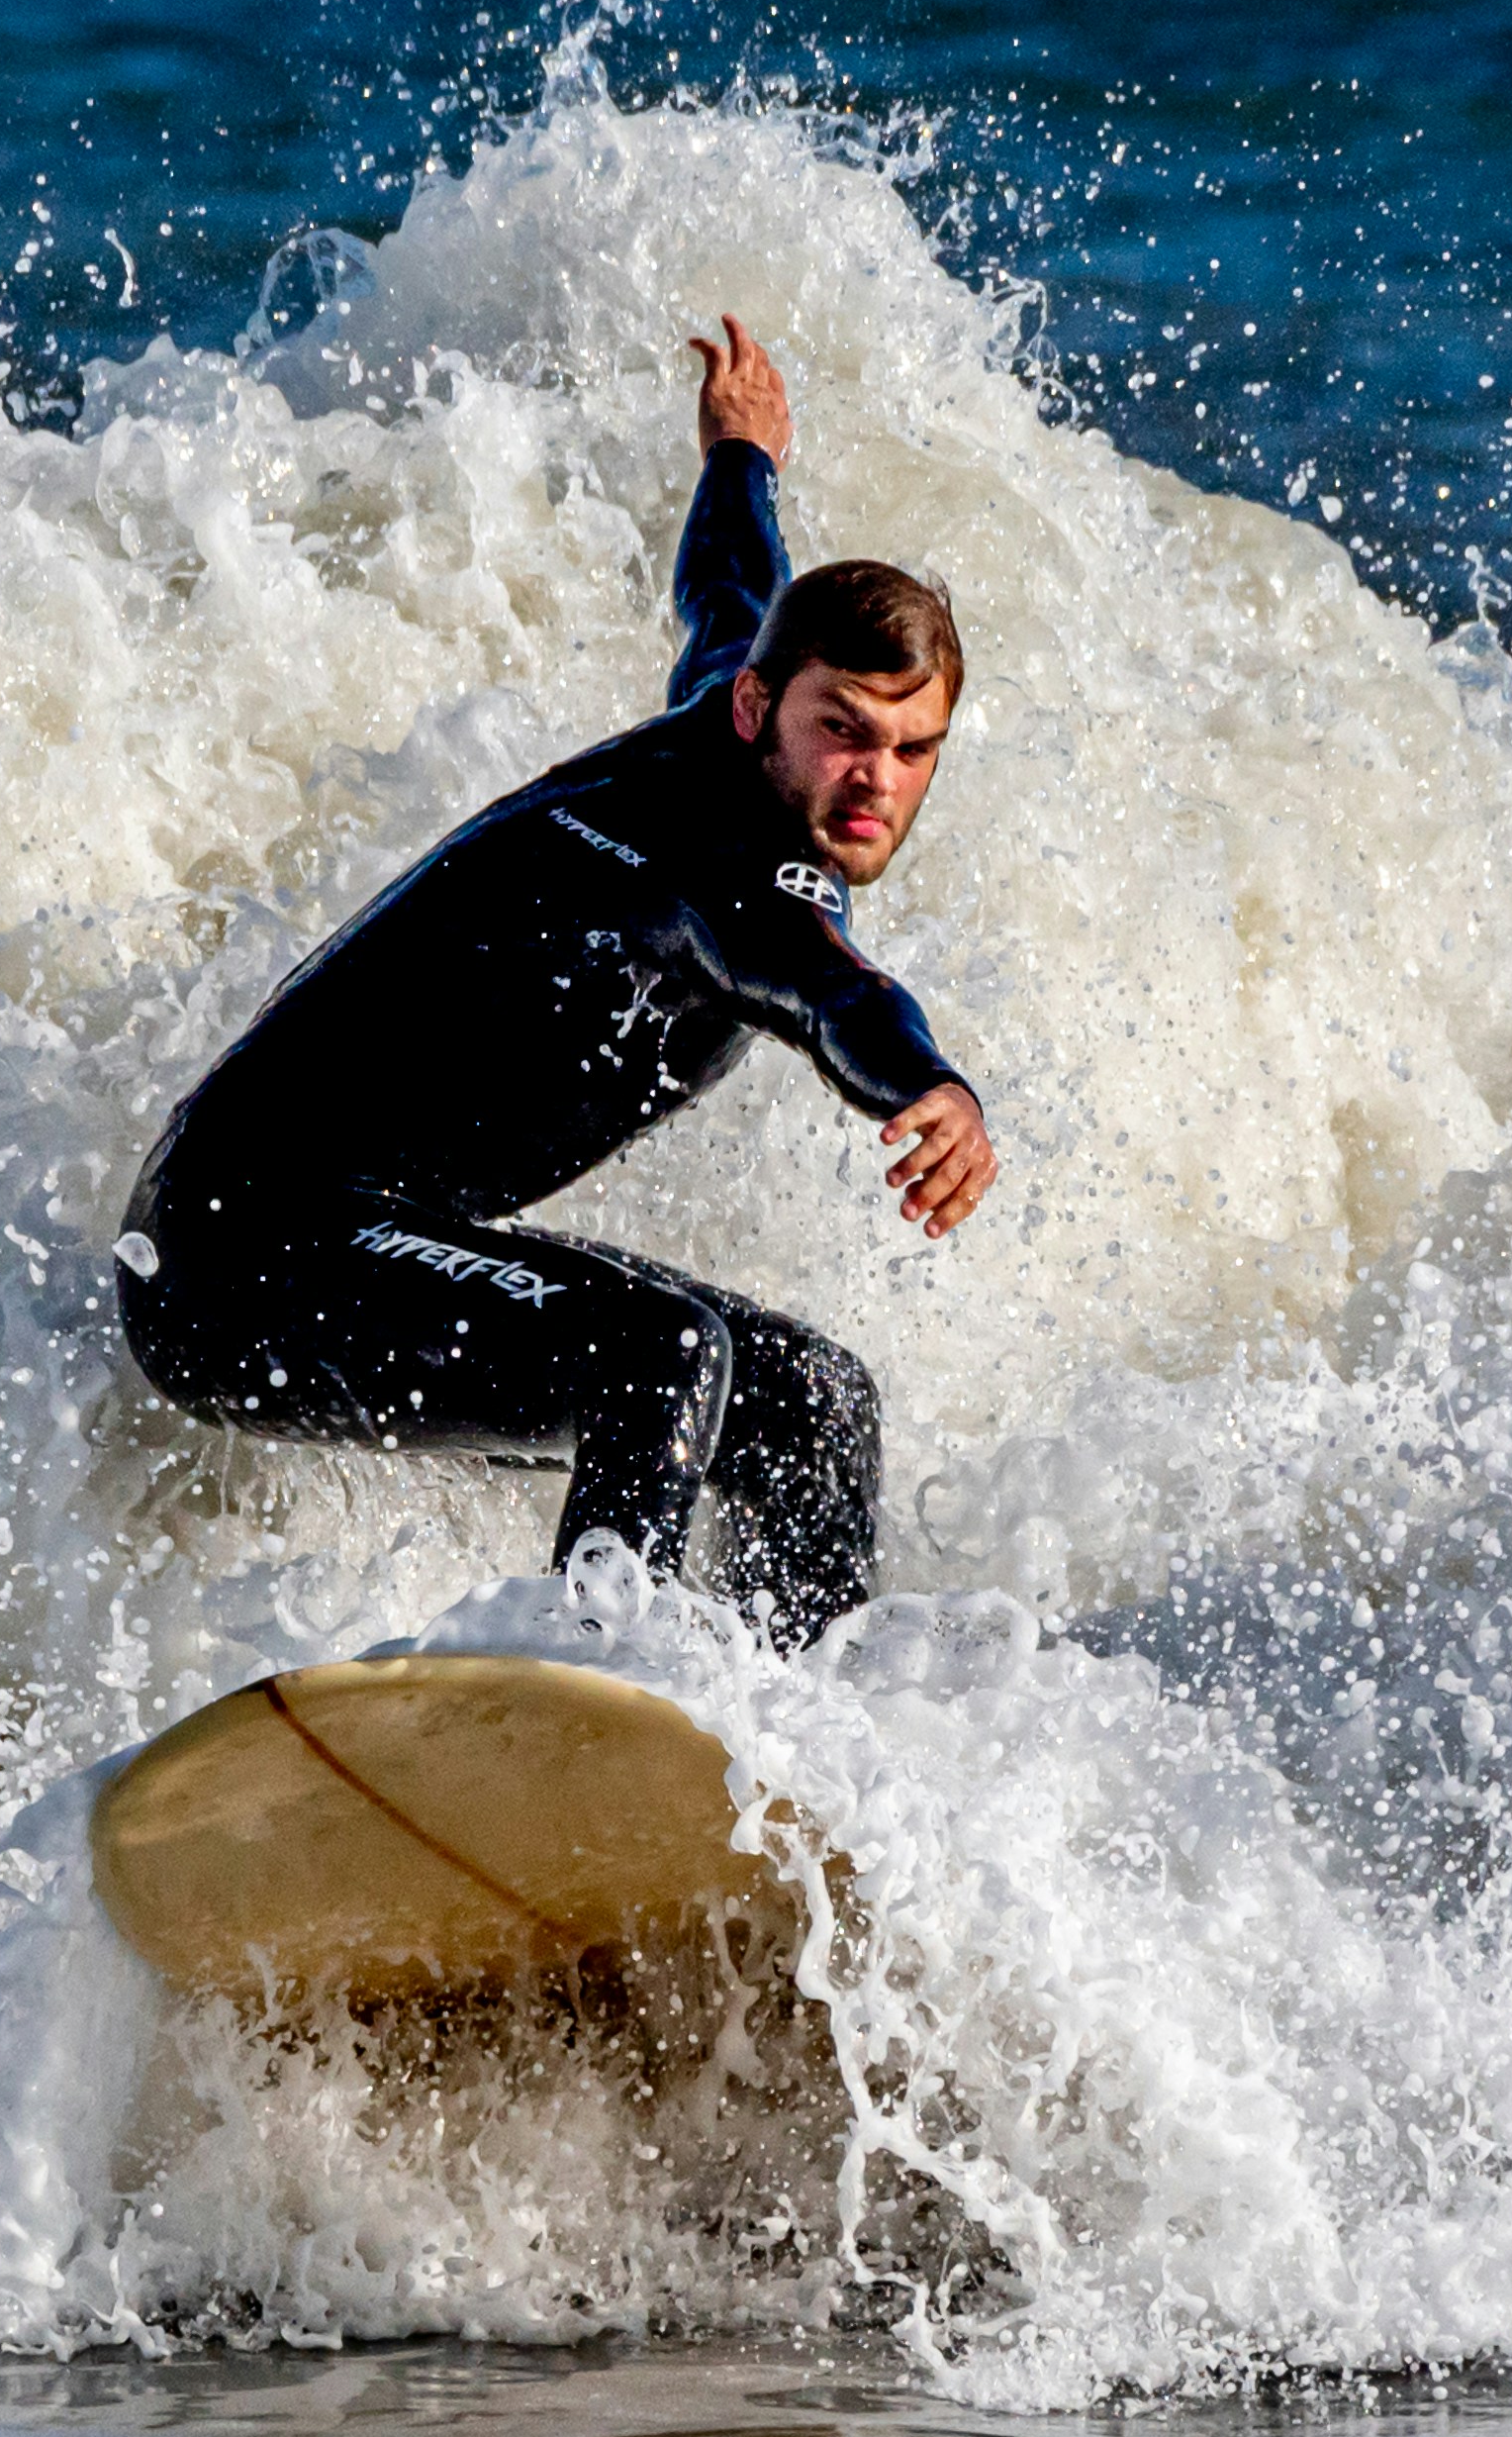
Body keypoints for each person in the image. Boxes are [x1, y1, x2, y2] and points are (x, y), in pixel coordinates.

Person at [114, 316, 995, 1650]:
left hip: (382, 1233)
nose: (871, 780)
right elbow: (829, 991)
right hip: (235, 1252)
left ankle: (791, 1750)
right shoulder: (732, 868)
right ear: (765, 714)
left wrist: (742, 453)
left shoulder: (740, 696)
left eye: (910, 748)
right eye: (843, 733)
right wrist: (927, 1081)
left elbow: (731, 584)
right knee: (661, 1354)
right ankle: (587, 1696)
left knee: (814, 1401)